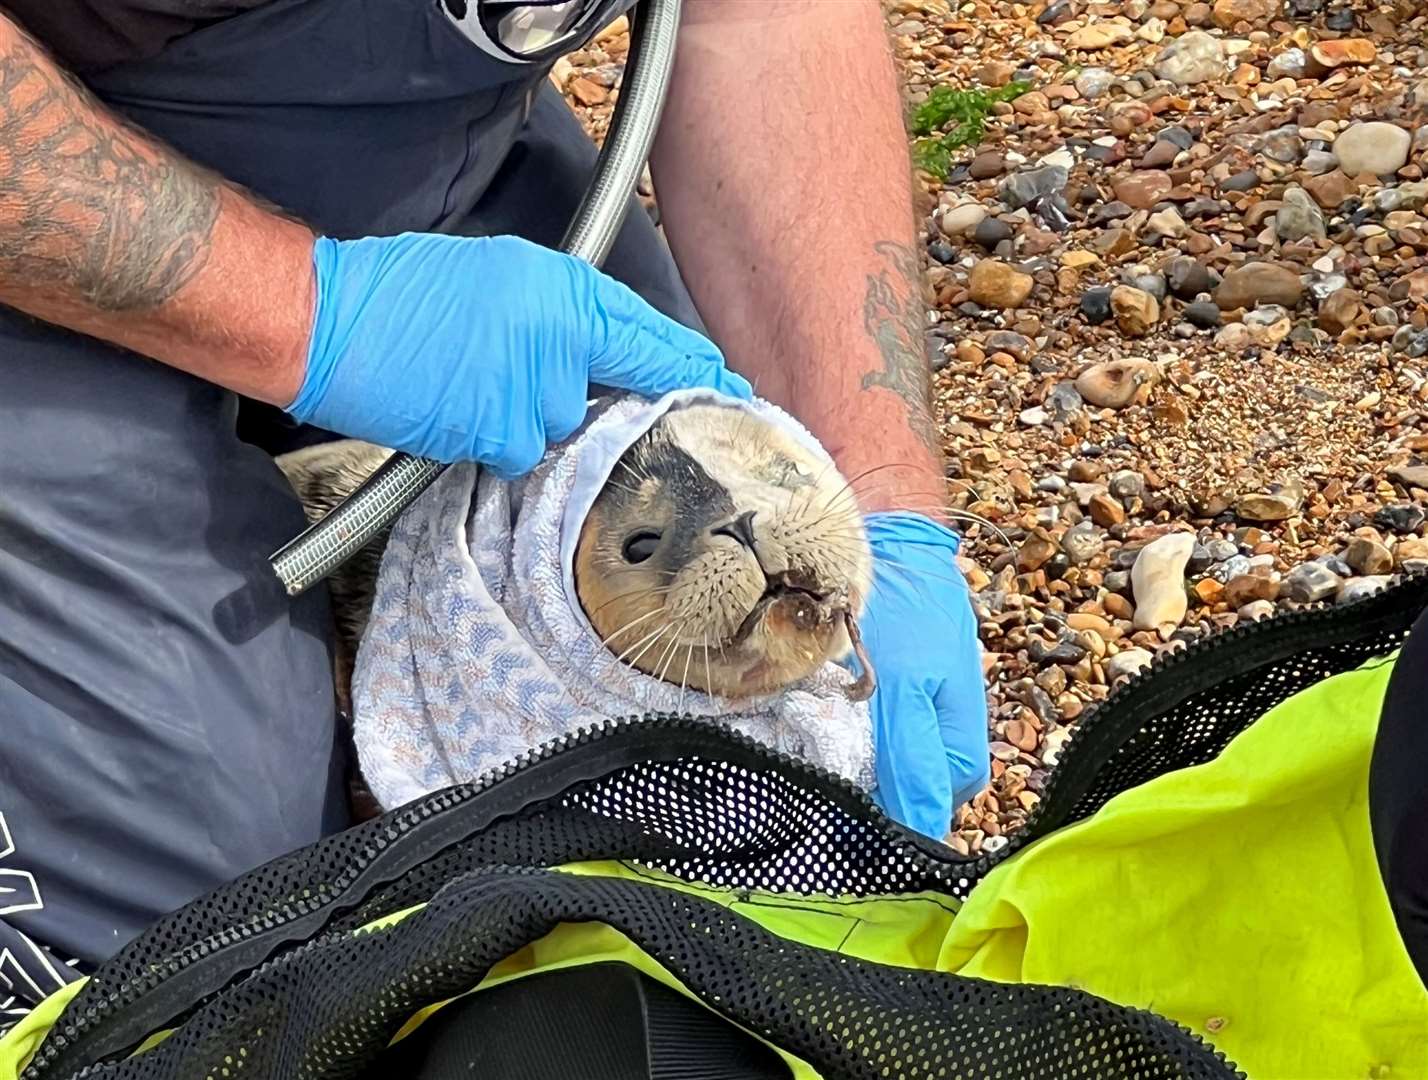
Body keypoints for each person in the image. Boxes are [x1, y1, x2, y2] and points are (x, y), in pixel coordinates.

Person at [0, 0, 989, 1020]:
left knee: (719, 757)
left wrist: (882, 499)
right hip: (39, 223)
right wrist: (313, 314)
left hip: (439, 151)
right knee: (179, 953)